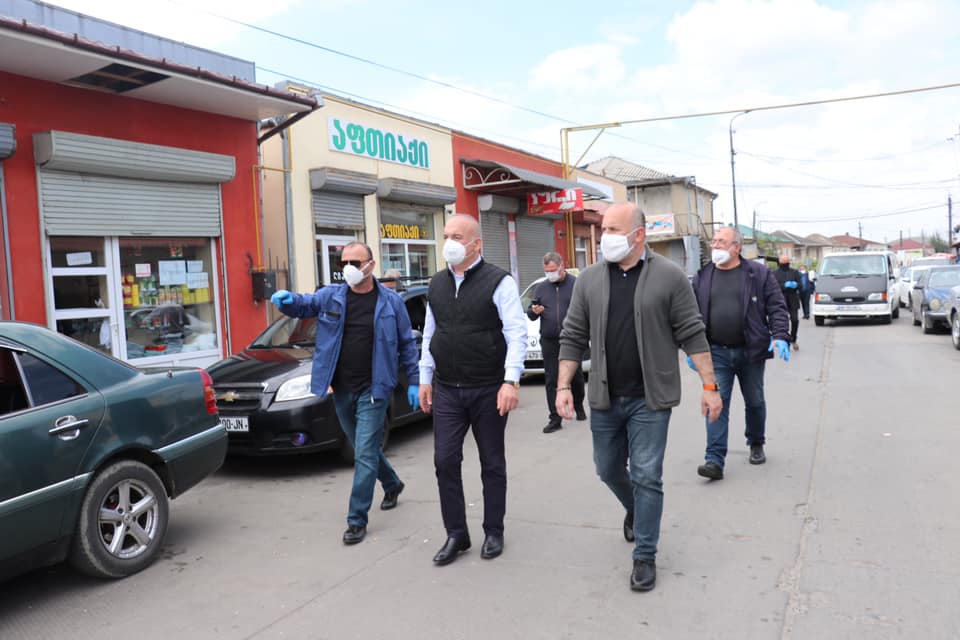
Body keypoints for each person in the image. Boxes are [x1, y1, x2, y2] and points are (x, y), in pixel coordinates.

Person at [555, 202, 722, 593]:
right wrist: (563, 386)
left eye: (613, 230)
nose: (605, 238)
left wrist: (710, 387)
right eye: (603, 230)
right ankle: (636, 509)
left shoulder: (669, 276)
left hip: (651, 398)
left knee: (647, 474)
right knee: (607, 468)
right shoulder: (590, 280)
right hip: (605, 397)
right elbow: (573, 335)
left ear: (639, 235)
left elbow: (692, 332)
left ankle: (645, 555)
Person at [270, 242, 420, 546]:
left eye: (355, 262)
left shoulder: (391, 302)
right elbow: (305, 305)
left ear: (371, 265)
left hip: (375, 389)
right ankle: (392, 483)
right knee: (365, 447)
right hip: (341, 388)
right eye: (344, 262)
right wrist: (287, 301)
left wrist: (415, 381)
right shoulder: (332, 296)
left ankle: (356, 520)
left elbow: (406, 343)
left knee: (363, 453)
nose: (348, 267)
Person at [418, 214, 527, 566]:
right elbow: (430, 333)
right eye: (446, 235)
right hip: (448, 388)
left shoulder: (499, 281)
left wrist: (510, 381)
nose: (449, 242)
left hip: (488, 388)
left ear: (476, 244)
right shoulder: (436, 284)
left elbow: (516, 332)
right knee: (444, 461)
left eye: (457, 236)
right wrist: (424, 377)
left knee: (492, 462)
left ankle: (494, 530)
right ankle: (456, 534)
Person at [690, 227, 791, 481]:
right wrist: (691, 348)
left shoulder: (758, 274)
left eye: (721, 242)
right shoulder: (703, 276)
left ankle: (756, 442)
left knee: (754, 401)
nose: (715, 246)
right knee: (716, 402)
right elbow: (691, 315)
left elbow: (777, 307)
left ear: (737, 247)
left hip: (751, 350)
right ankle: (714, 459)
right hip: (716, 353)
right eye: (714, 241)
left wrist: (780, 335)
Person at [527, 252, 586, 433]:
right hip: (549, 340)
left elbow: (586, 308)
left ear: (562, 266)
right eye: (547, 271)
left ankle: (578, 405)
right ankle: (555, 418)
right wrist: (534, 311)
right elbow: (531, 312)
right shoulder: (541, 288)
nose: (550, 274)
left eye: (553, 270)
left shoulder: (576, 284)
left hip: (571, 339)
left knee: (575, 376)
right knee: (552, 378)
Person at [773, 255, 802, 349]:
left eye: (787, 262)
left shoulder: (794, 272)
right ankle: (784, 340)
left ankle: (793, 338)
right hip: (781, 300)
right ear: (780, 262)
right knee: (782, 322)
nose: (785, 264)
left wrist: (796, 285)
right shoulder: (775, 273)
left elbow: (800, 285)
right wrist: (784, 285)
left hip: (793, 299)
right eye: (783, 262)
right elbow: (773, 286)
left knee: (795, 320)